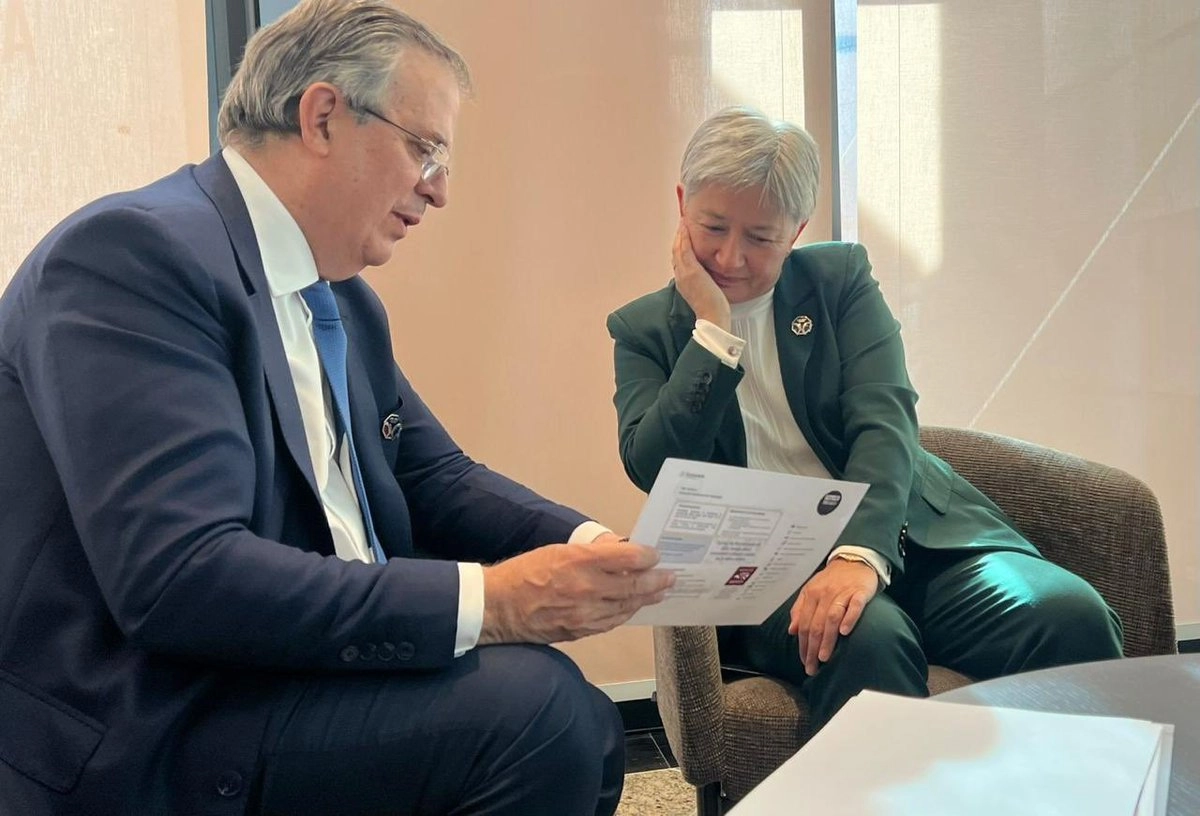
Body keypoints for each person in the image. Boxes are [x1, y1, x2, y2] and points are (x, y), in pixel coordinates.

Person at [0, 2, 674, 814]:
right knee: (539, 715)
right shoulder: (135, 256)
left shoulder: (342, 301)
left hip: (285, 676)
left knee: (585, 724)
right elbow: (181, 576)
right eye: (425, 150)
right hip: (163, 713)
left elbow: (436, 476)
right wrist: (494, 604)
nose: (440, 191)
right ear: (322, 117)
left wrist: (594, 547)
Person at [606, 106, 1123, 731]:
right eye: (713, 227)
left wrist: (859, 554)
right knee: (861, 635)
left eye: (761, 238)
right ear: (682, 203)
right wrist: (712, 332)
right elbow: (653, 467)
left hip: (907, 536)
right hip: (767, 573)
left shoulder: (839, 281)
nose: (730, 257)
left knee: (1068, 615)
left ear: (796, 231)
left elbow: (886, 419)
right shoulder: (644, 330)